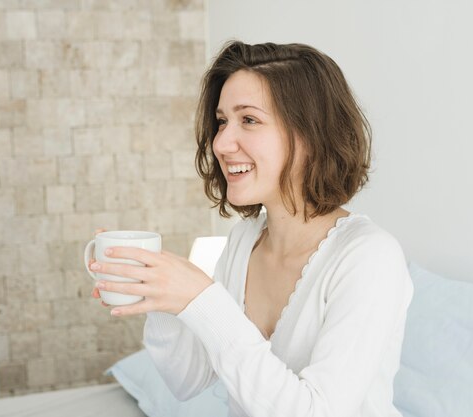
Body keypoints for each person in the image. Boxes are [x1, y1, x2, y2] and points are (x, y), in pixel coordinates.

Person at [90, 41, 414, 417]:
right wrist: (159, 296)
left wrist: (203, 298)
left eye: (249, 120)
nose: (222, 142)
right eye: (223, 120)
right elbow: (188, 381)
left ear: (310, 135)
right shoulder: (244, 240)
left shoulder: (369, 257)